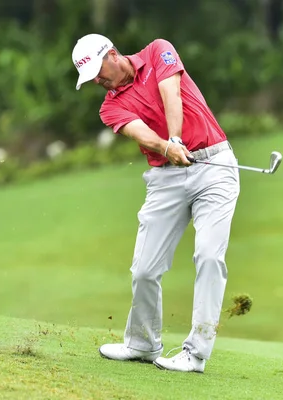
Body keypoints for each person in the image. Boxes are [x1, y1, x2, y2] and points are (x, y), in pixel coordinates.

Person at [71, 33, 241, 373]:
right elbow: (140, 133)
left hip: (214, 166)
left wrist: (176, 139)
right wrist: (167, 148)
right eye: (91, 80)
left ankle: (195, 353)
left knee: (208, 255)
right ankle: (143, 343)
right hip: (165, 178)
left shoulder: (158, 51)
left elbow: (171, 93)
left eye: (98, 73)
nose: (98, 82)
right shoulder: (110, 106)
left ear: (113, 55)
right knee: (145, 269)